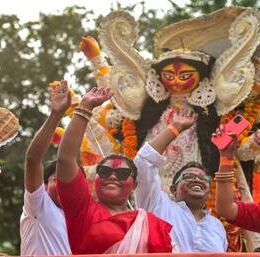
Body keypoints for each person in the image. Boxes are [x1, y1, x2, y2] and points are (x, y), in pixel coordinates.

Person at [56, 86, 173, 254]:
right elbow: (65, 160)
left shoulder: (150, 223)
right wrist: (85, 108)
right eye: (104, 171)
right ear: (95, 178)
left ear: (134, 186)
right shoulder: (82, 209)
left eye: (122, 174)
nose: (112, 176)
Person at [134, 110, 227, 252]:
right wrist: (175, 128)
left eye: (203, 178)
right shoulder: (157, 205)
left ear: (209, 190)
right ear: (173, 189)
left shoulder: (216, 226)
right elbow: (143, 161)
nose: (197, 179)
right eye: (188, 177)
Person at [20, 80, 71, 255]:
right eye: (55, 179)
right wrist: (56, 115)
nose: (63, 185)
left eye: (68, 181)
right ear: (43, 185)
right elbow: (33, 159)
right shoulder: (39, 205)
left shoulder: (81, 219)